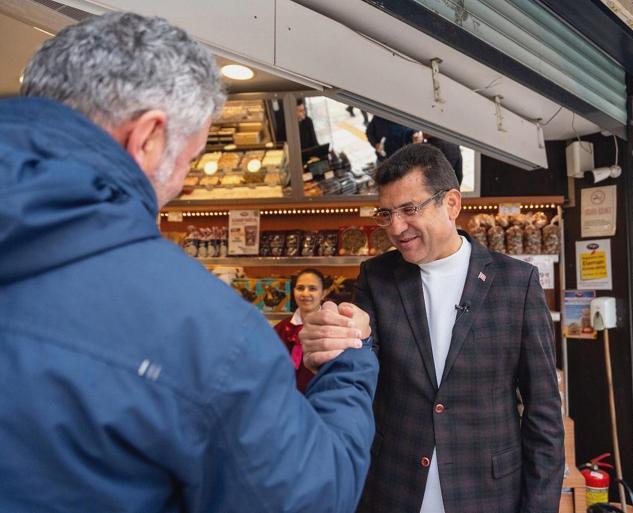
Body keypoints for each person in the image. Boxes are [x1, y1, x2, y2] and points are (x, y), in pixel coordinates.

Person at [0, 12, 377, 513]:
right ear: (149, 138)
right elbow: (310, 496)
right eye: (190, 158)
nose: (178, 185)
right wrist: (349, 362)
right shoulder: (204, 331)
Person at [301, 143, 564, 513]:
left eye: (410, 209)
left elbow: (544, 413)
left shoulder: (515, 283)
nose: (396, 227)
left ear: (452, 203)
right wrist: (331, 342)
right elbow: (360, 355)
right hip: (392, 490)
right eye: (386, 213)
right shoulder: (376, 278)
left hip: (488, 495)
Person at [274, 269, 326, 393]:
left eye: (312, 288)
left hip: (320, 396)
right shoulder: (280, 328)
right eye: (300, 288)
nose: (305, 293)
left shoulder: (330, 328)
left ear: (323, 293)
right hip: (284, 397)